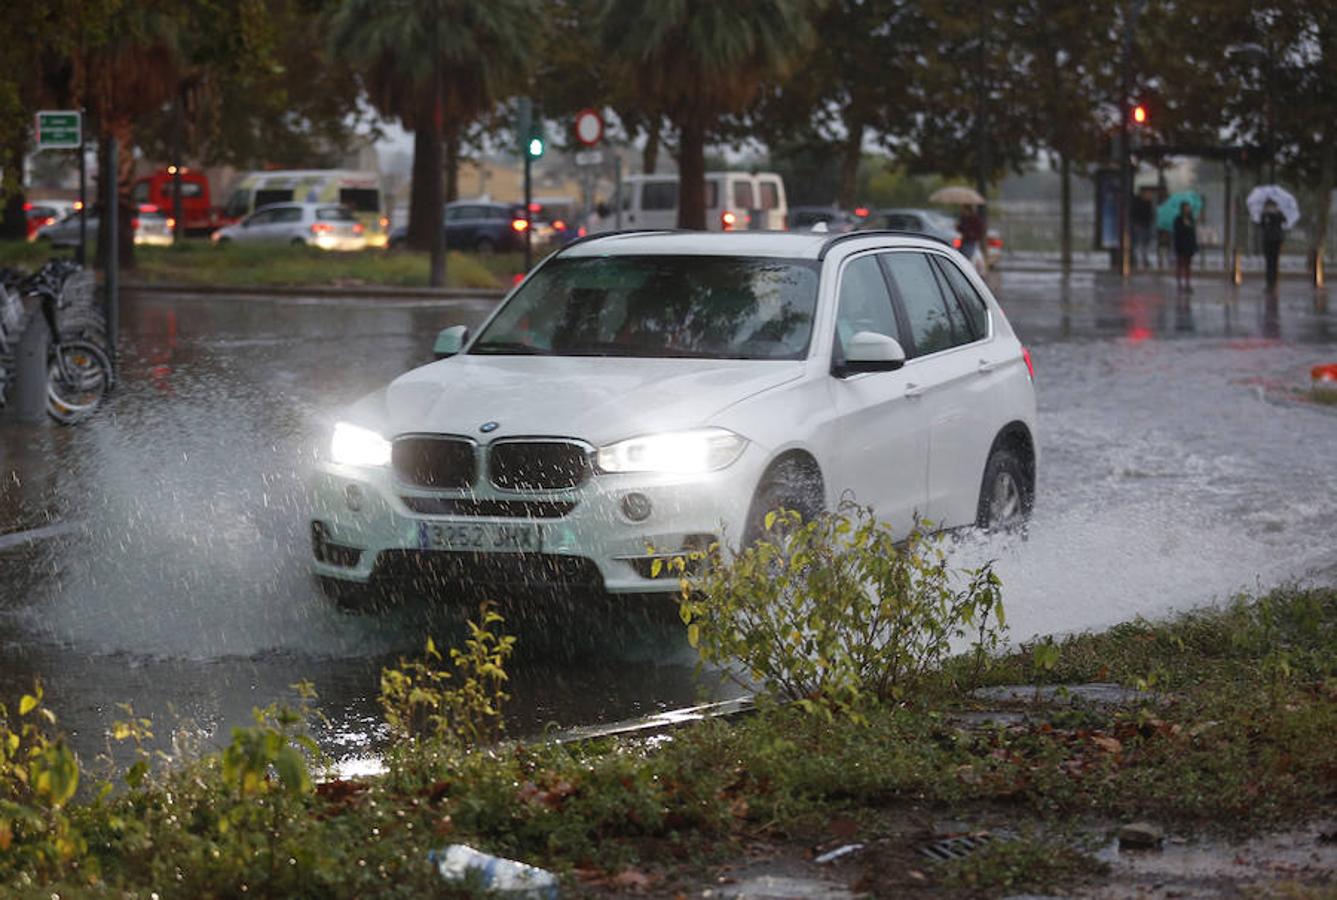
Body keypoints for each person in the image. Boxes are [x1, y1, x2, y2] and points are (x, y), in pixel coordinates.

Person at [1259, 198, 1286, 290]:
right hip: (1274, 240)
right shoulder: (1277, 214)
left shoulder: (1267, 214)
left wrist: (1267, 215)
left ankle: (1271, 283)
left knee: (1271, 263)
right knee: (1273, 263)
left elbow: (1261, 225)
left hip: (1270, 240)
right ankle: (1272, 283)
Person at [1172, 201, 1198, 292]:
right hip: (1181, 245)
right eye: (1186, 208)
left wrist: (1194, 245)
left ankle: (1187, 283)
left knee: (1188, 265)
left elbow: (1193, 233)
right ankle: (1179, 283)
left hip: (1189, 246)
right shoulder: (1178, 219)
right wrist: (1185, 226)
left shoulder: (1191, 219)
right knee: (1180, 265)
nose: (1188, 209)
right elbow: (1177, 232)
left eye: (1188, 208)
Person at [1131, 189, 1155, 269]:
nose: (1149, 196)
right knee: (1138, 243)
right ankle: (1136, 258)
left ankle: (1144, 259)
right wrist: (1136, 223)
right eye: (1147, 194)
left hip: (1146, 225)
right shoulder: (1137, 203)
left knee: (1146, 243)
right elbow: (1134, 214)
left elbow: (1151, 214)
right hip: (1139, 225)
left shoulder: (1149, 203)